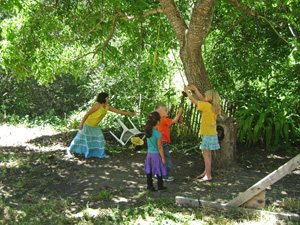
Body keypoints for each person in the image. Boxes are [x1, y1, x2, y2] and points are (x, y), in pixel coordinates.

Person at [67, 92, 134, 159]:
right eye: (107, 98)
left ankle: (101, 155)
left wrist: (129, 113)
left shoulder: (107, 107)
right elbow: (87, 114)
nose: (108, 99)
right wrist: (81, 124)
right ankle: (70, 151)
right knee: (78, 139)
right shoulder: (97, 105)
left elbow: (117, 111)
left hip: (95, 127)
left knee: (100, 138)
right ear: (103, 99)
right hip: (87, 125)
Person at [184, 85, 221, 182]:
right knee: (208, 155)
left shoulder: (206, 106)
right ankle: (206, 171)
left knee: (206, 155)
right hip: (213, 134)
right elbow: (202, 100)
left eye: (206, 96)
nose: (204, 97)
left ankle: (208, 175)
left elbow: (194, 101)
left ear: (209, 98)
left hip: (207, 135)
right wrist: (196, 90)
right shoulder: (214, 106)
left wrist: (187, 91)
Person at [155, 103, 183, 182]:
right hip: (163, 142)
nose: (167, 112)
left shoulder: (156, 120)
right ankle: (165, 176)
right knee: (166, 159)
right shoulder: (163, 120)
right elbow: (175, 120)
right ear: (160, 113)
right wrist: (180, 112)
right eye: (165, 110)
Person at [144, 111, 167, 191]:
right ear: (158, 122)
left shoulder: (147, 131)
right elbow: (160, 147)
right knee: (159, 170)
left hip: (149, 154)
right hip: (156, 154)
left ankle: (149, 186)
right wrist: (163, 158)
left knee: (149, 171)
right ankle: (160, 186)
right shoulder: (158, 133)